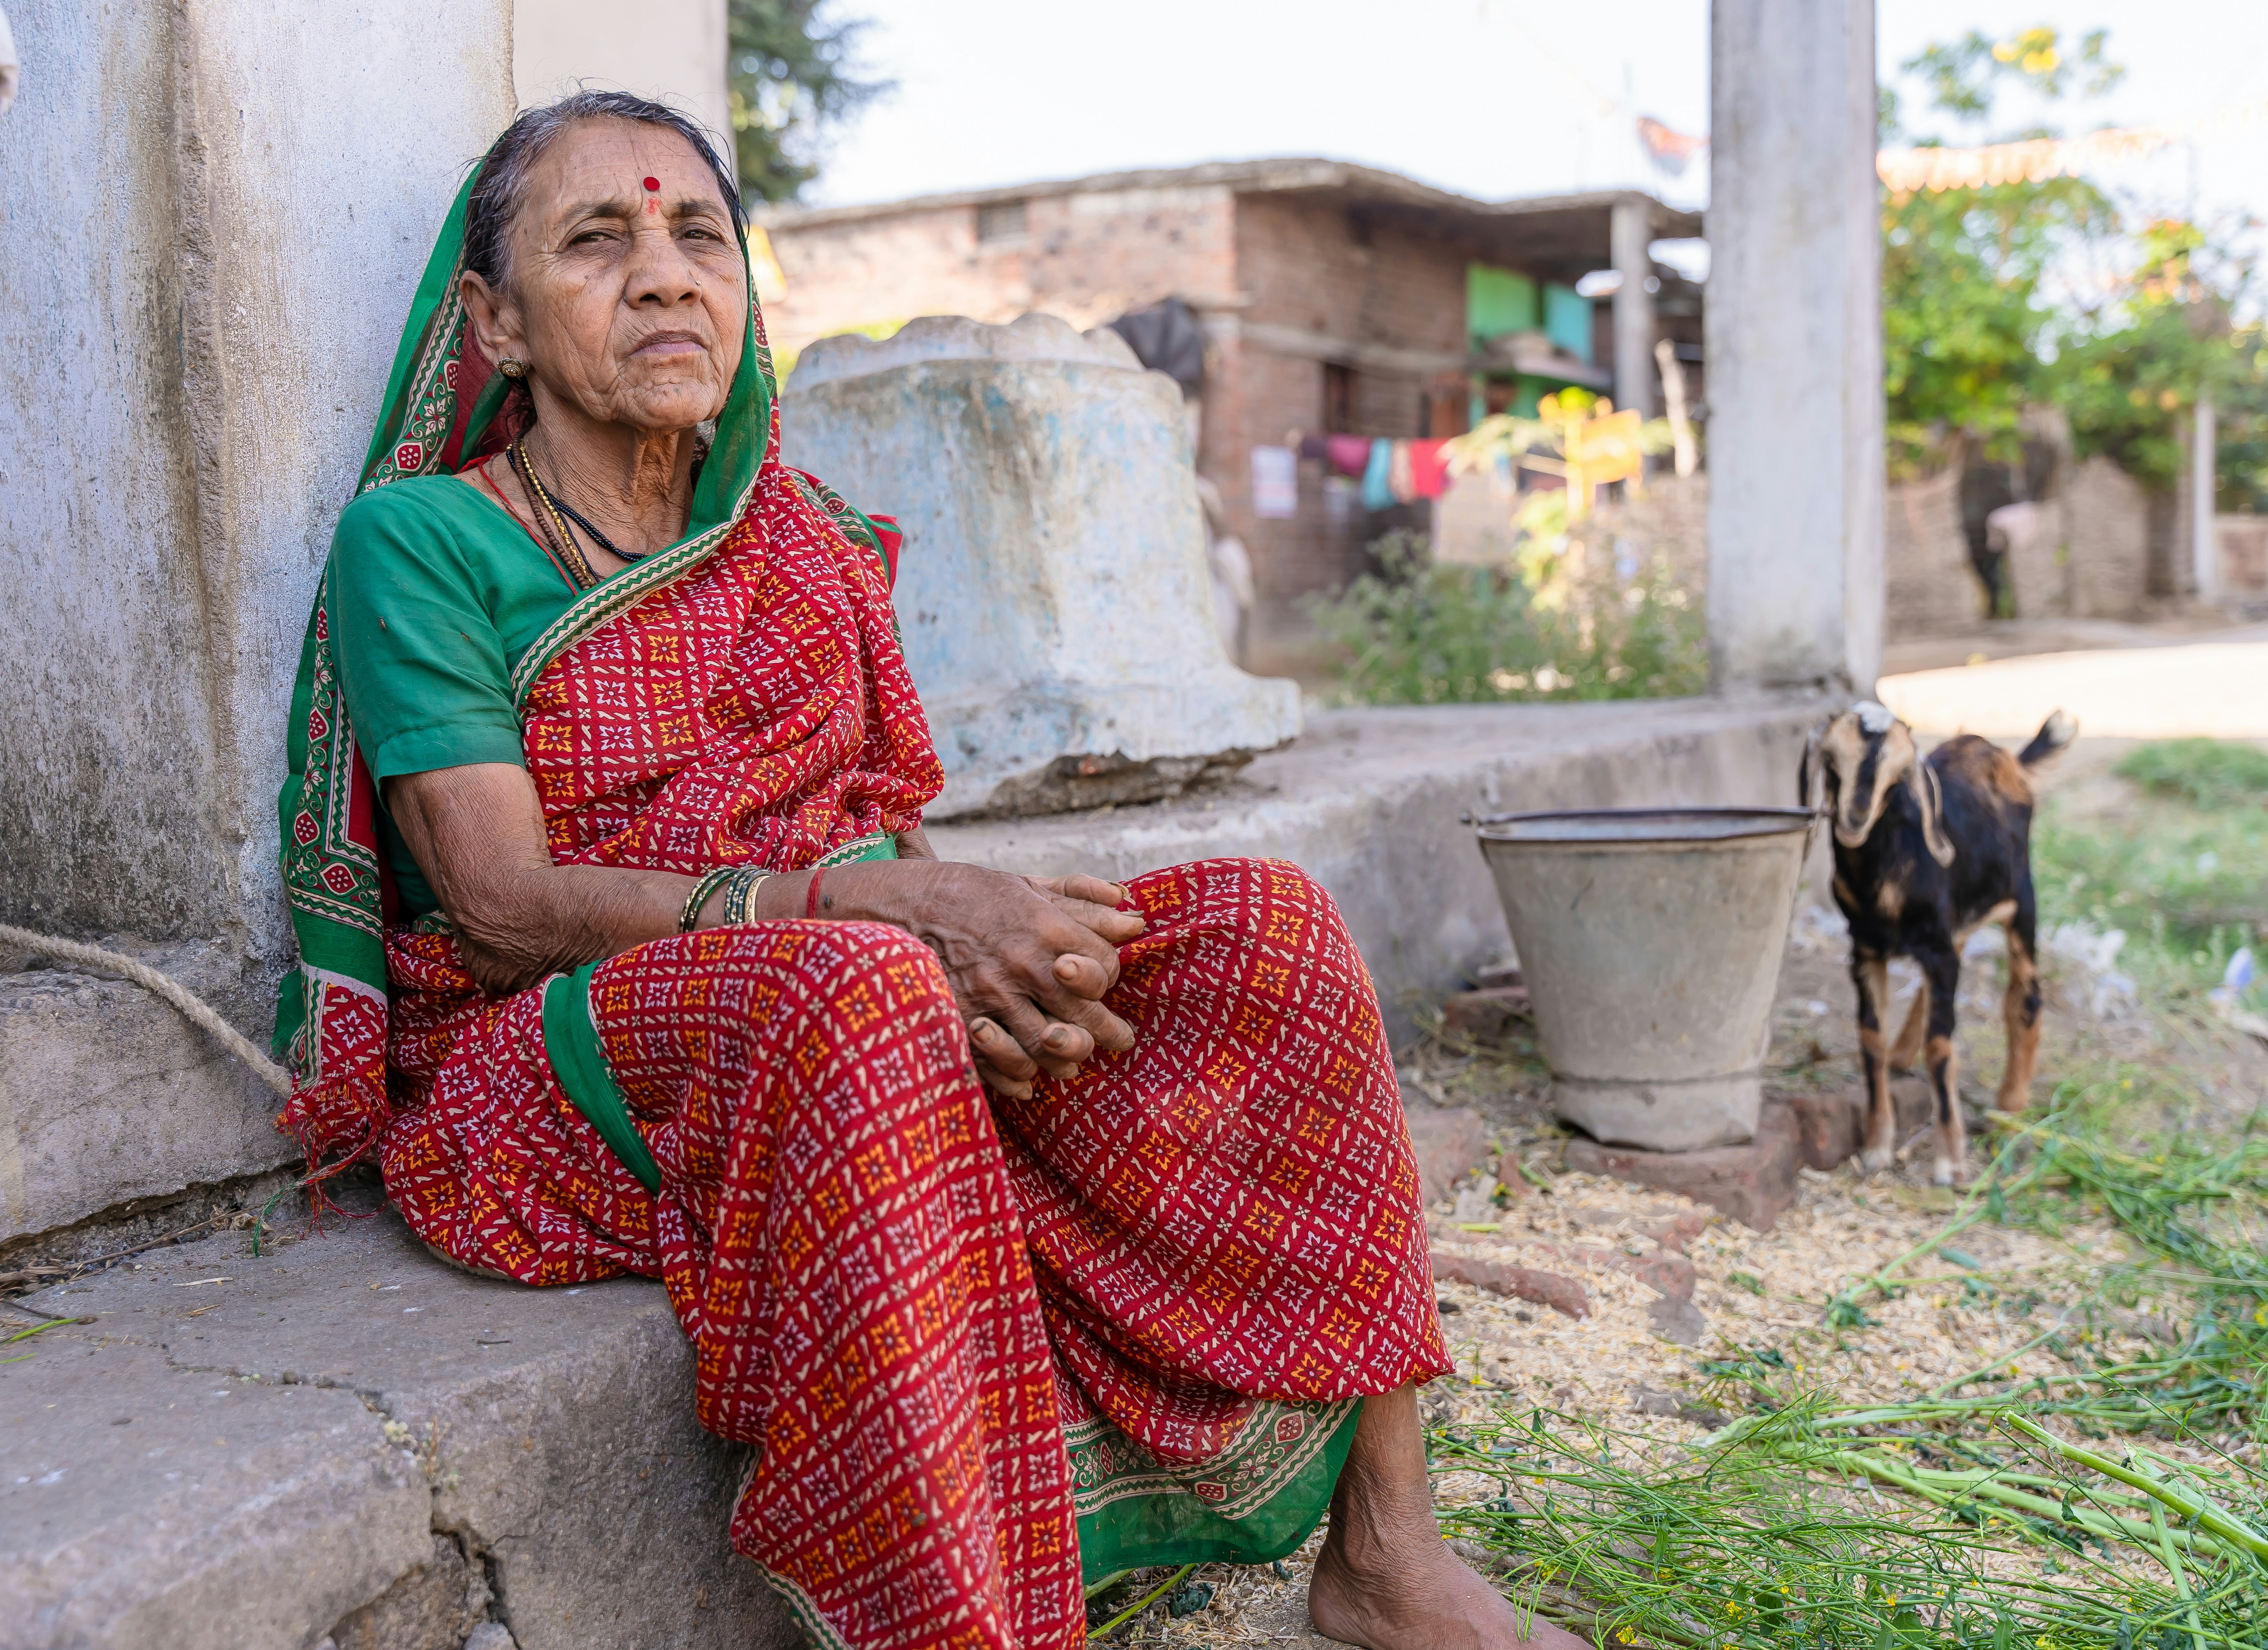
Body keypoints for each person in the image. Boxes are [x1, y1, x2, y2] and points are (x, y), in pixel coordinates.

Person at [276, 91, 1582, 1650]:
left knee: (1263, 930)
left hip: (847, 987)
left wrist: (981, 953)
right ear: (492, 321)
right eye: (598, 239)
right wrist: (858, 913)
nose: (667, 275)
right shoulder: (421, 541)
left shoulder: (804, 539)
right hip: (550, 1062)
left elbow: (881, 832)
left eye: (701, 236)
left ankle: (1383, 1549)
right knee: (868, 989)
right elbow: (498, 907)